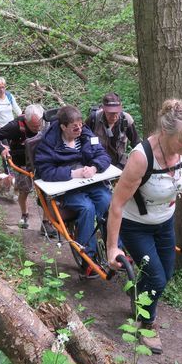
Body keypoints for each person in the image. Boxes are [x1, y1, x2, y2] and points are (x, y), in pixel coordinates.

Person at [106, 99, 182, 355]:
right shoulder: (141, 158)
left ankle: (139, 299)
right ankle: (146, 324)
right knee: (157, 278)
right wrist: (112, 247)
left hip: (164, 223)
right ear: (164, 133)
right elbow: (116, 204)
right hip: (135, 226)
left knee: (164, 274)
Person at [34, 105, 112, 277]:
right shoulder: (48, 143)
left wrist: (94, 167)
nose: (79, 129)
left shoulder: (86, 135)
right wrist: (72, 173)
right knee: (86, 208)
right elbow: (45, 171)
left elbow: (103, 155)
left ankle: (115, 250)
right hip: (68, 188)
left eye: (80, 125)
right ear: (63, 127)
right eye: (74, 127)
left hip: (91, 181)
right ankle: (88, 258)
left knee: (107, 202)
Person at [0, 104, 57, 236]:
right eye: (34, 126)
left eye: (40, 125)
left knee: (47, 192)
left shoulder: (48, 121)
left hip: (43, 161)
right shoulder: (14, 126)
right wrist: (1, 149)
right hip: (22, 163)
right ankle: (24, 214)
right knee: (24, 190)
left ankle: (46, 223)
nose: (38, 129)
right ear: (26, 120)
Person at [85, 92, 141, 168]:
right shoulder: (93, 119)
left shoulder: (126, 120)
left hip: (119, 163)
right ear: (103, 109)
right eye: (110, 113)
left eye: (116, 113)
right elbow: (83, 140)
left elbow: (136, 143)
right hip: (97, 162)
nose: (114, 116)